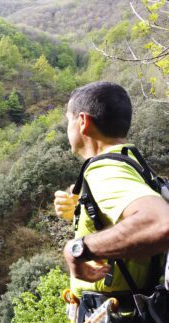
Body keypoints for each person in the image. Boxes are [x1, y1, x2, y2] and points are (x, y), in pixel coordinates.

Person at [54, 81, 169, 321]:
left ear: (83, 122)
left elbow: (159, 222)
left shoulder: (105, 170)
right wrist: (83, 213)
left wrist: (78, 249)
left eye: (69, 120)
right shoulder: (130, 160)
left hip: (115, 313)